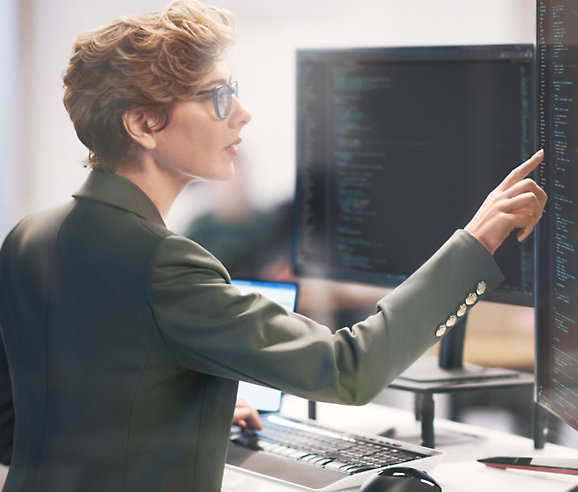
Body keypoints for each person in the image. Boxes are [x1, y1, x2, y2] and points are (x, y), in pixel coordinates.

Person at [0, 1, 547, 491]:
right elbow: (346, 369)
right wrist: (477, 241)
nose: (241, 113)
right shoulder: (162, 263)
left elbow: (16, 422)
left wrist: (182, 416)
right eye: (218, 96)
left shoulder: (30, 236)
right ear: (144, 123)